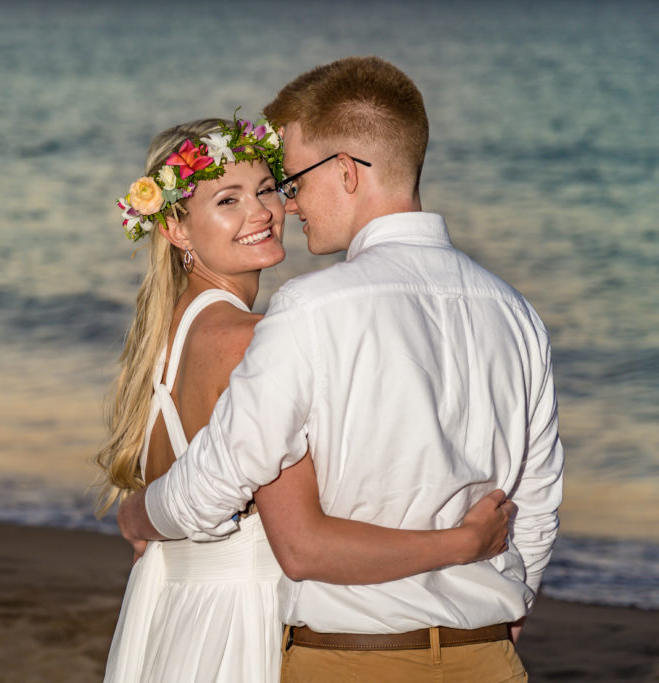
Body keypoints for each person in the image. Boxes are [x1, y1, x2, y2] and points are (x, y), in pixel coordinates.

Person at [117, 57, 564, 682]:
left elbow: (227, 487)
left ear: (347, 173)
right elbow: (536, 502)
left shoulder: (309, 311)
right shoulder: (518, 314)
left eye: (285, 183)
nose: (286, 207)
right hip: (487, 658)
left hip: (348, 658)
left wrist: (136, 515)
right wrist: (499, 606)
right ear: (175, 227)